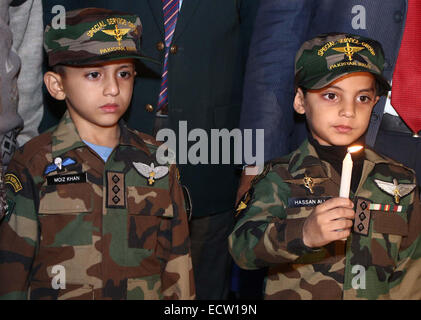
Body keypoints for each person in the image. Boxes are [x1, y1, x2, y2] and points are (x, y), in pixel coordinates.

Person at [41, 0, 260, 300]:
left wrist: (254, 161)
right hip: (103, 143)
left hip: (212, 152)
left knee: (201, 276)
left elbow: (262, 56)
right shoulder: (34, 166)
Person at [0, 8, 194, 300]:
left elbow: (178, 267)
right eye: (94, 74)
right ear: (57, 85)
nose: (113, 88)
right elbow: (11, 275)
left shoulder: (158, 162)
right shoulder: (33, 163)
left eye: (124, 73)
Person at [229, 33, 421, 299]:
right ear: (300, 101)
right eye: (331, 96)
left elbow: (411, 272)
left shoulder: (399, 181)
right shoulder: (280, 176)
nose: (348, 111)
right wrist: (303, 234)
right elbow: (242, 248)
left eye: (362, 98)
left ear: (375, 103)